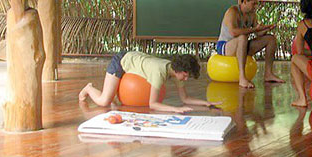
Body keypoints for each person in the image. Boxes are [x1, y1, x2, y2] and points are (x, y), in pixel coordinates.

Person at [79, 52, 218, 113]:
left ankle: (114, 90)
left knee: (110, 101)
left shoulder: (176, 72)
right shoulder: (159, 72)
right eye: (186, 76)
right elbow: (153, 104)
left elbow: (185, 98)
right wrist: (175, 109)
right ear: (179, 70)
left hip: (135, 59)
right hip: (121, 62)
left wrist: (206, 103)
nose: (186, 79)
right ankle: (89, 88)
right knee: (104, 101)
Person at [216, 0, 284, 88]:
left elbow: (258, 33)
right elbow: (233, 32)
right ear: (245, 2)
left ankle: (268, 74)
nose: (256, 7)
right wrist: (254, 30)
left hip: (242, 45)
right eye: (254, 4)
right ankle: (242, 78)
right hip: (225, 46)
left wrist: (266, 28)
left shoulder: (252, 15)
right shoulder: (233, 11)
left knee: (271, 39)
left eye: (257, 4)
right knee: (242, 37)